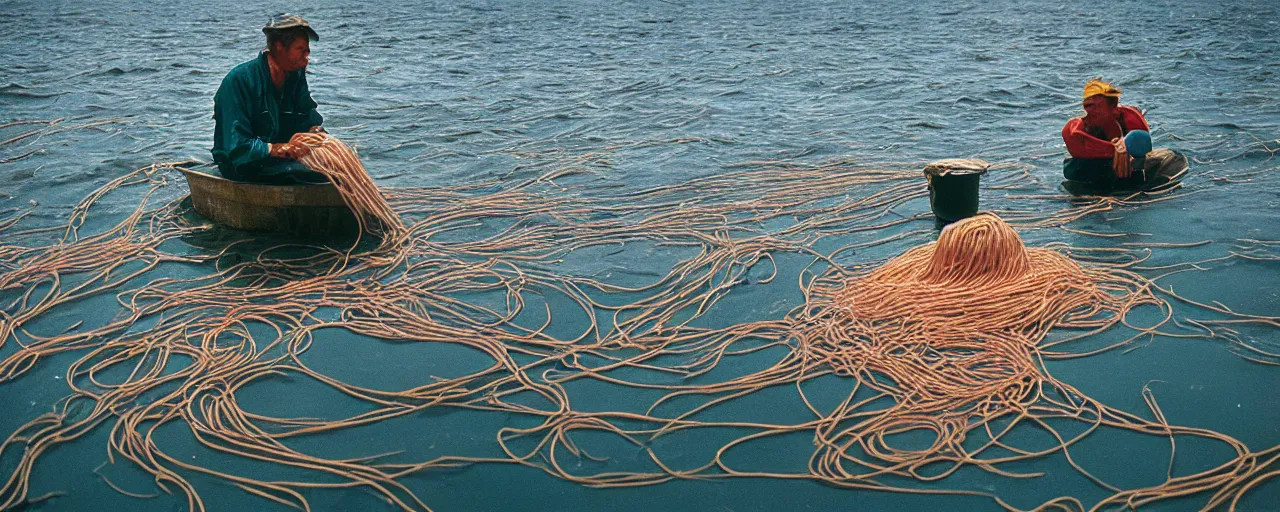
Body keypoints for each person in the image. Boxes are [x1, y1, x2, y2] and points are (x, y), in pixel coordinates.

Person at [211, 14, 327, 184]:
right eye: (301, 50)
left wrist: (315, 131)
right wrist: (275, 149)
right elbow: (236, 146)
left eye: (307, 51)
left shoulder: (295, 74)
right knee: (318, 173)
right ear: (279, 47)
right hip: (242, 164)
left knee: (332, 163)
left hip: (279, 160)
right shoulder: (239, 81)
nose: (306, 58)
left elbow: (306, 115)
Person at [1061, 79, 1153, 187]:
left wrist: (1126, 144)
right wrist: (1117, 148)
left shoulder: (1128, 117)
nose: (1090, 112)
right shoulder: (1076, 127)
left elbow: (1144, 143)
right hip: (1088, 167)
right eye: (1087, 106)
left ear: (1113, 106)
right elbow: (1079, 145)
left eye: (1096, 106)